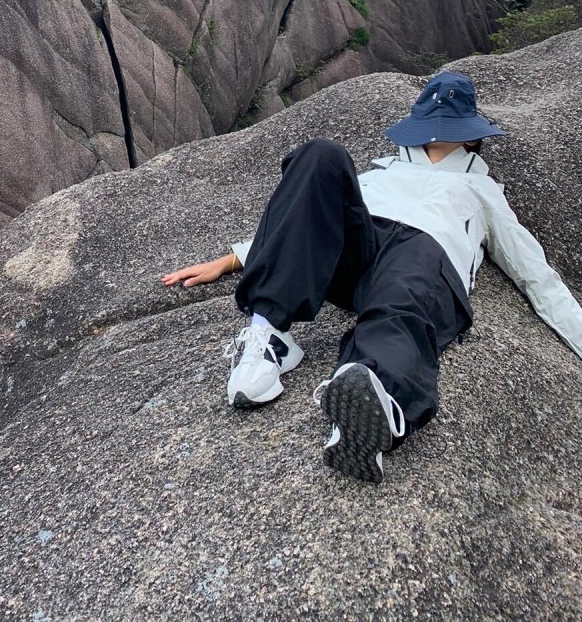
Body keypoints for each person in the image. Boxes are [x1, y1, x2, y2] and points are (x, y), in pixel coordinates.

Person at [163, 71, 582, 482]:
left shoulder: (482, 189)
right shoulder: (381, 171)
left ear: (471, 138)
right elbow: (308, 213)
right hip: (361, 245)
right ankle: (270, 335)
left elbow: (535, 274)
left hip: (424, 249)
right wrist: (234, 257)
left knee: (402, 300)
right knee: (320, 155)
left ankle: (370, 398)